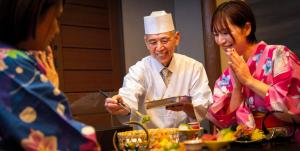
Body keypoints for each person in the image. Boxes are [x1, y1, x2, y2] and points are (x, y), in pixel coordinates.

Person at [0, 0, 100, 150]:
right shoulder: (9, 63)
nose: (56, 29)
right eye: (55, 17)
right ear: (30, 12)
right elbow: (79, 144)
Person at [206, 0, 300, 140]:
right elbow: (227, 128)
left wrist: (249, 81)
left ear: (247, 28)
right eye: (216, 34)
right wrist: (237, 87)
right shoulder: (224, 79)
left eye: (225, 33)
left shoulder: (279, 55)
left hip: (285, 142)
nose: (220, 41)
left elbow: (293, 110)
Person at [105, 10, 212, 128]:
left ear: (176, 38)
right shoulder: (138, 70)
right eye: (153, 42)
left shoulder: (193, 67)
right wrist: (120, 105)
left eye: (164, 40)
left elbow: (203, 109)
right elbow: (128, 97)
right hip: (149, 142)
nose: (159, 48)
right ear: (146, 42)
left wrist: (186, 107)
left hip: (185, 140)